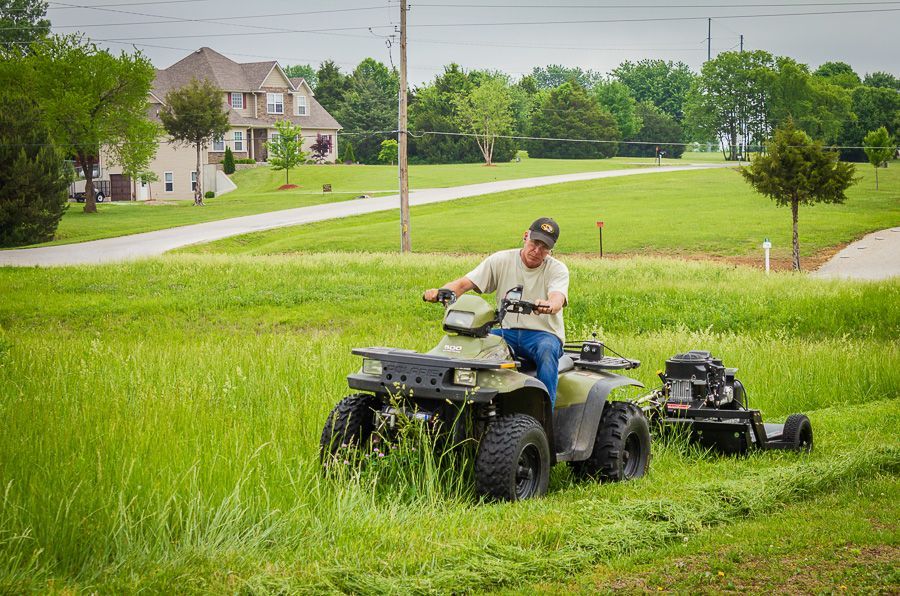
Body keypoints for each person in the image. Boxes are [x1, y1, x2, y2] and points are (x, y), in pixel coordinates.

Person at [423, 217, 569, 408]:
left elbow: (557, 298)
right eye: (534, 243)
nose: (537, 251)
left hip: (543, 334)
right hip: (506, 332)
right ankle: (458, 404)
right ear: (526, 236)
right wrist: (439, 292)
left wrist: (549, 304)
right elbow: (464, 284)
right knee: (472, 344)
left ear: (551, 250)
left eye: (544, 247)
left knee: (547, 351)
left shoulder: (557, 269)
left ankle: (544, 411)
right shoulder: (501, 260)